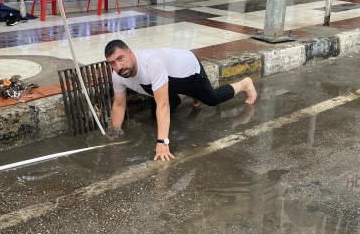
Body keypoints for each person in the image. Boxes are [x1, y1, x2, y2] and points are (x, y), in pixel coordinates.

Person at [105, 40, 257, 161]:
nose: (119, 66)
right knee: (154, 114)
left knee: (212, 99)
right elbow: (119, 104)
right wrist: (115, 133)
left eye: (121, 58)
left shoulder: (152, 64)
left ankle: (244, 84)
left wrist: (162, 142)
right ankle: (186, 94)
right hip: (168, 81)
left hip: (189, 71)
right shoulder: (118, 75)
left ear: (129, 52)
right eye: (112, 63)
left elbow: (163, 105)